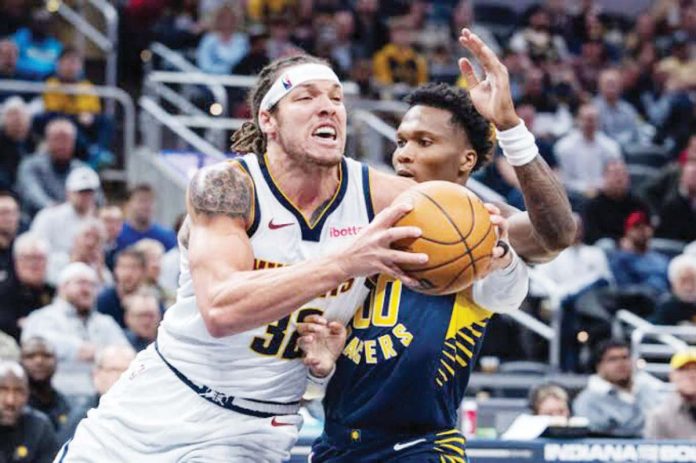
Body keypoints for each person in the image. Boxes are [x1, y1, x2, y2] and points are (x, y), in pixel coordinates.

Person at [60, 32, 574, 461]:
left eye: (336, 98)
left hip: (251, 433)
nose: (327, 106)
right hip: (160, 400)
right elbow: (220, 308)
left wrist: (509, 126)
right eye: (306, 98)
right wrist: (346, 262)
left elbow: (546, 236)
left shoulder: (380, 197)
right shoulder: (228, 187)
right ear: (268, 121)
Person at [305, 29, 574, 463]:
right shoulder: (358, 205)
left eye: (423, 143)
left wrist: (509, 126)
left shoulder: (480, 226)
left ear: (466, 159)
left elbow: (556, 234)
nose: (403, 155)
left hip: (420, 447)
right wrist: (318, 369)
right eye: (401, 142)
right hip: (336, 444)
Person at [22, 263, 129, 396]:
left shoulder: (105, 322)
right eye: (81, 283)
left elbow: (126, 353)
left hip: (102, 395)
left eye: (92, 285)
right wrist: (93, 351)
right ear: (62, 287)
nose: (87, 289)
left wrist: (92, 352)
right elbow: (40, 347)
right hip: (59, 395)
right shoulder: (42, 317)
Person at [573, 339, 662, 437]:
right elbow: (598, 433)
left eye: (625, 358)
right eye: (613, 359)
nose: (621, 363)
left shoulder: (647, 389)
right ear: (599, 366)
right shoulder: (587, 401)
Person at [60, 345, 136, 441]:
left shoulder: (147, 414)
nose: (121, 376)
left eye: (128, 371)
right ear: (96, 374)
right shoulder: (82, 418)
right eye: (114, 370)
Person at [0, 360, 59, 463]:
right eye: (2, 390)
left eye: (18, 391)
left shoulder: (40, 427)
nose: (10, 400)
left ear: (27, 394)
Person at [20, 337, 72, 434]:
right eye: (31, 356)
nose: (39, 361)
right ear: (20, 361)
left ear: (56, 361)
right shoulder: (14, 405)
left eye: (46, 356)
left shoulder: (65, 404)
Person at [644, 349, 696, 439]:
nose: (692, 375)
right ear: (672, 375)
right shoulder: (660, 416)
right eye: (684, 370)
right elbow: (654, 450)